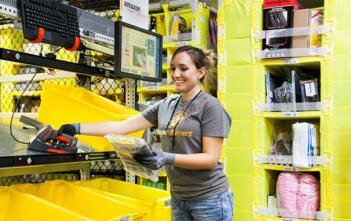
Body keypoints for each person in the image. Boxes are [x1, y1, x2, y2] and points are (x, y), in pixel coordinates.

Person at [59, 45, 234, 221]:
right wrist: (77, 128)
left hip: (210, 200)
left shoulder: (211, 107)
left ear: (200, 72)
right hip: (179, 198)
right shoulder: (167, 105)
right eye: (173, 68)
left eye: (184, 68)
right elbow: (122, 127)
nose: (176, 74)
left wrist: (166, 157)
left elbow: (210, 159)